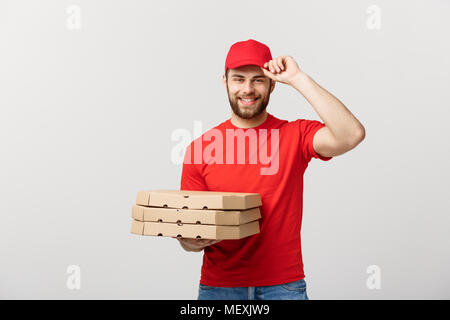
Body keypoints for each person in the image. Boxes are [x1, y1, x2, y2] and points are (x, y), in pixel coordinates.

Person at [174, 39, 365, 300]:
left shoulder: (294, 135)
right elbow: (189, 234)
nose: (248, 89)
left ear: (273, 84)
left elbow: (351, 134)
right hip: (219, 289)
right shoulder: (200, 148)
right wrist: (190, 242)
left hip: (284, 287)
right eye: (239, 79)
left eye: (258, 80)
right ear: (225, 82)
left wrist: (298, 78)